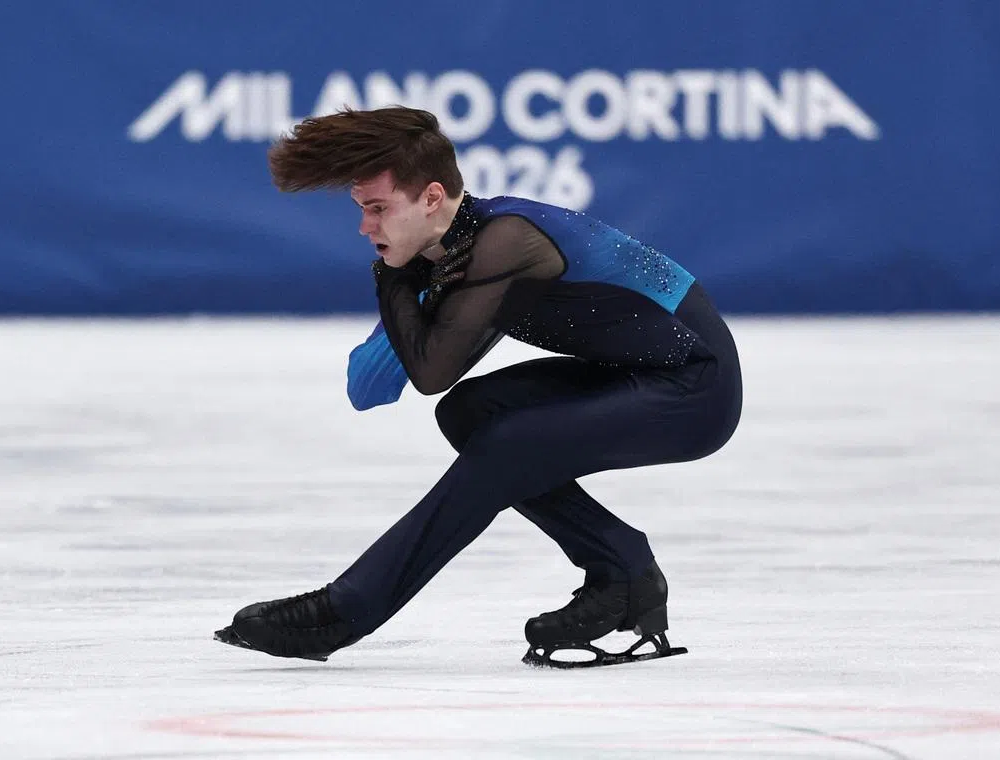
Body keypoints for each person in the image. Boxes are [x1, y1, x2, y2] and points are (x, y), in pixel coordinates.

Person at [214, 106, 743, 668]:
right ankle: (623, 571)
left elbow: (431, 371)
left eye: (377, 209)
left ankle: (346, 609)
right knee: (469, 413)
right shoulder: (453, 255)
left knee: (509, 440)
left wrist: (399, 278)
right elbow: (367, 387)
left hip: (696, 388)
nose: (365, 227)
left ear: (432, 198)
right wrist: (415, 276)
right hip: (634, 373)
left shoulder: (507, 241)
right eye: (361, 210)